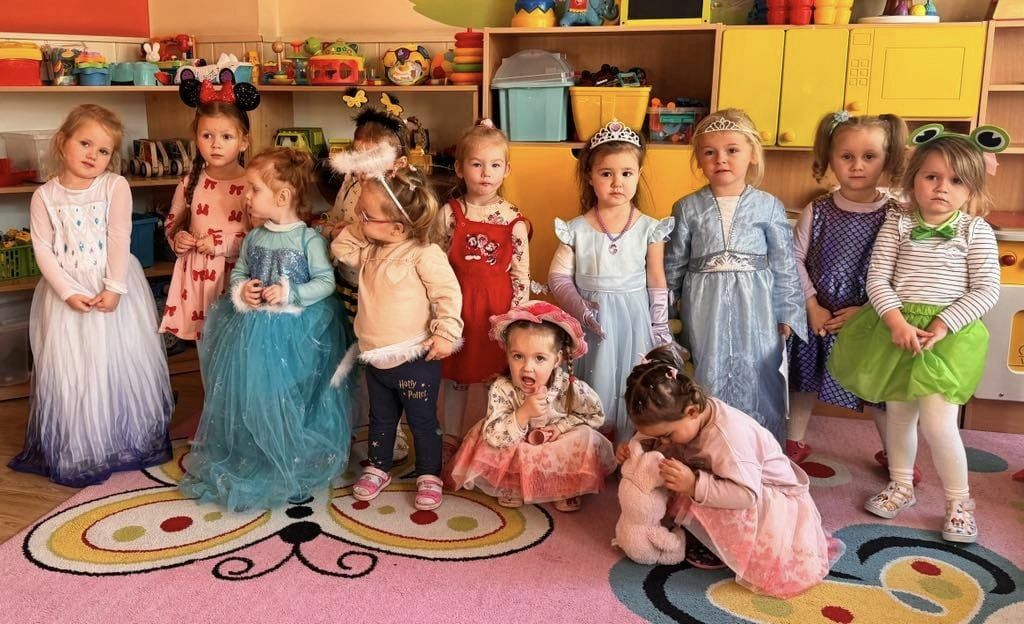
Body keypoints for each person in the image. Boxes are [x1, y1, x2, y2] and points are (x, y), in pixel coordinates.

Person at [829, 127, 1003, 543]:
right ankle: (901, 485)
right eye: (932, 177)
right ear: (913, 180)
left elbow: (986, 290)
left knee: (940, 424)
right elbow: (878, 278)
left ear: (971, 188)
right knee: (899, 415)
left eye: (956, 180)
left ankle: (959, 502)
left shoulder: (975, 230)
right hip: (897, 331)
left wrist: (944, 325)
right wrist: (895, 322)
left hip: (947, 339)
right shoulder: (899, 223)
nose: (942, 187)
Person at [179, 148, 353, 511]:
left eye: (254, 189)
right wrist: (242, 290)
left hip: (299, 329)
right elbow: (241, 272)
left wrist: (291, 292)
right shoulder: (254, 238)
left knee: (293, 394)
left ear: (283, 196)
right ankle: (256, 450)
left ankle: (293, 457)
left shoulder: (308, 239)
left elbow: (325, 282)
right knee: (254, 392)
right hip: (253, 329)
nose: (246, 196)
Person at [8, 104, 172, 486]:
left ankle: (121, 438)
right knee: (76, 369)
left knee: (117, 362)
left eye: (103, 151)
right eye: (85, 143)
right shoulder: (44, 196)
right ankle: (82, 445)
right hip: (65, 292)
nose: (92, 155)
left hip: (112, 286)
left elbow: (119, 238)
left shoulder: (114, 186)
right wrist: (66, 291)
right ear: (62, 141)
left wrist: (113, 287)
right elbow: (42, 249)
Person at [620, 356, 841, 599]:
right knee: (671, 464)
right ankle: (700, 525)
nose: (662, 441)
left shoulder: (728, 438)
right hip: (730, 478)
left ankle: (716, 544)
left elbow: (746, 495)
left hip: (767, 499)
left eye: (667, 434)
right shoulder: (688, 416)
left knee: (693, 484)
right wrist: (636, 446)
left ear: (691, 411)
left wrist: (693, 485)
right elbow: (651, 434)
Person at [664, 108, 806, 444]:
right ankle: (708, 445)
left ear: (752, 154)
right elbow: (673, 264)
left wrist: (787, 312)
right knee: (705, 368)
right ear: (698, 160)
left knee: (758, 370)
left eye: (732, 150)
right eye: (709, 152)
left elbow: (784, 264)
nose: (721, 160)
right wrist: (665, 313)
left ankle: (758, 446)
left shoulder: (769, 206)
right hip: (704, 306)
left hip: (756, 308)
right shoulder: (686, 207)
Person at [331, 161, 463, 511]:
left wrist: (446, 333)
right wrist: (362, 226)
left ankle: (429, 472)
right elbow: (341, 249)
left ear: (397, 227)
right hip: (376, 357)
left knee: (422, 421)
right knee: (381, 417)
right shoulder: (371, 249)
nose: (357, 218)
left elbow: (448, 295)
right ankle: (379, 465)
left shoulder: (423, 254)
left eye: (365, 214)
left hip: (415, 357)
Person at [786, 111, 910, 467]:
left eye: (869, 156)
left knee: (880, 389)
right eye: (846, 156)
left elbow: (903, 271)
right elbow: (794, 260)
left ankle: (896, 456)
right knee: (804, 379)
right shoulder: (817, 209)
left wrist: (869, 312)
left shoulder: (897, 214)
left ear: (887, 159)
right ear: (830, 159)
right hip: (821, 315)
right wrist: (811, 305)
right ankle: (794, 442)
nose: (857, 166)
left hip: (871, 317)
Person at [548, 119, 674, 444]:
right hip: (593, 319)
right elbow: (558, 277)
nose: (617, 182)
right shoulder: (576, 229)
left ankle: (628, 450)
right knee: (593, 384)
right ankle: (589, 449)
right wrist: (580, 308)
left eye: (627, 173)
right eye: (607, 174)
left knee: (632, 383)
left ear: (638, 174)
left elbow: (656, 278)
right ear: (590, 176)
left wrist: (660, 326)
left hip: (634, 321)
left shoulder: (650, 228)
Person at [447, 300, 615, 512]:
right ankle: (512, 483)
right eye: (518, 356)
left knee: (586, 436)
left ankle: (565, 486)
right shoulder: (503, 388)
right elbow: (496, 436)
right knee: (488, 437)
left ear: (557, 359)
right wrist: (523, 413)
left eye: (540, 358)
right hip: (516, 441)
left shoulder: (568, 386)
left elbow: (595, 415)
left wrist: (560, 427)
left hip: (554, 445)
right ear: (507, 354)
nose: (527, 367)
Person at [440, 119, 531, 455]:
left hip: (497, 312)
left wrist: (518, 319)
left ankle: (490, 439)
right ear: (459, 168)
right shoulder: (450, 214)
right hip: (458, 308)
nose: (485, 173)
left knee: (496, 378)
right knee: (456, 377)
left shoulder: (512, 219)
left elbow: (521, 274)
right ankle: (450, 437)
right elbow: (435, 263)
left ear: (506, 170)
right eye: (476, 164)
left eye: (494, 165)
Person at [159, 79, 258, 340]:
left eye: (226, 137)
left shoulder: (252, 185)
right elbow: (172, 225)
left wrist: (222, 244)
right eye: (207, 136)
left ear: (243, 142)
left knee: (233, 343)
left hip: (234, 277)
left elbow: (260, 237)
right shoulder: (189, 183)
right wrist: (178, 239)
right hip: (197, 279)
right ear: (196, 138)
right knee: (204, 342)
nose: (216, 144)